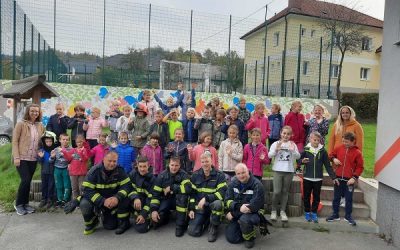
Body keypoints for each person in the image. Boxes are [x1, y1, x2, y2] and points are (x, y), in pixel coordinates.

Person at [80, 151, 132, 235]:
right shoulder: (94, 171)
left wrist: (117, 197)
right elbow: (87, 190)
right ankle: (92, 222)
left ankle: (108, 214)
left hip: (112, 201)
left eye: (114, 161)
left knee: (110, 226)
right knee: (84, 204)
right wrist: (102, 201)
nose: (112, 164)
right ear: (103, 160)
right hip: (98, 201)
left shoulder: (120, 170)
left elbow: (127, 186)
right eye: (109, 161)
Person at [12, 104, 45, 215]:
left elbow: (43, 140)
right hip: (21, 158)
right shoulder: (20, 124)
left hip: (33, 158)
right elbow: (15, 141)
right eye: (32, 111)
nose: (35, 113)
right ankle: (19, 204)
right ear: (28, 111)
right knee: (25, 180)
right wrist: (16, 157)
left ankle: (25, 203)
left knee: (28, 181)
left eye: (37, 111)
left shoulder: (40, 125)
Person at [188, 152, 227, 242]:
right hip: (201, 206)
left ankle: (213, 227)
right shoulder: (195, 175)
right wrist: (191, 209)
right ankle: (206, 220)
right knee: (193, 232)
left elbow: (222, 194)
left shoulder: (220, 175)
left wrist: (206, 198)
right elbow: (192, 194)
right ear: (200, 162)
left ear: (211, 161)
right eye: (203, 162)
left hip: (212, 205)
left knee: (218, 204)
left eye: (207, 161)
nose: (205, 164)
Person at [224, 163, 265, 249]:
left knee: (245, 219)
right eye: (238, 174)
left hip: (254, 213)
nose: (241, 176)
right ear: (235, 174)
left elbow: (253, 207)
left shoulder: (257, 185)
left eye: (243, 172)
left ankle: (250, 237)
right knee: (232, 238)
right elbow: (227, 201)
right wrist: (236, 208)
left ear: (248, 171)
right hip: (238, 211)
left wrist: (234, 214)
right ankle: (243, 228)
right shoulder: (233, 183)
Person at [327, 132, 364, 226]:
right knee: (336, 198)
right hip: (338, 179)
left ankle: (348, 216)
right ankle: (335, 214)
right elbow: (330, 155)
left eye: (347, 142)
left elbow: (360, 167)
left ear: (353, 141)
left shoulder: (357, 153)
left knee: (349, 199)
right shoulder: (339, 148)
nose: (344, 143)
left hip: (349, 181)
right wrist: (333, 159)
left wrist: (354, 177)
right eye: (343, 141)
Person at [150, 157, 192, 237]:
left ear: (180, 166)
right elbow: (155, 194)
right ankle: (165, 216)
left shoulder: (184, 175)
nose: (174, 167)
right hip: (166, 199)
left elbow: (188, 188)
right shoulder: (162, 176)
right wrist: (154, 210)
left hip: (179, 201)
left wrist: (172, 188)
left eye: (176, 165)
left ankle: (180, 225)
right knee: (155, 223)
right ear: (168, 165)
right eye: (172, 165)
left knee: (182, 196)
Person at [300, 131, 336, 223]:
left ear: (320, 140)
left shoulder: (323, 151)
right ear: (310, 139)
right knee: (307, 196)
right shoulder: (306, 149)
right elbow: (298, 160)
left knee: (316, 197)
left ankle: (314, 213)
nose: (316, 142)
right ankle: (307, 212)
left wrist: (333, 177)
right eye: (314, 139)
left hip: (318, 179)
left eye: (318, 140)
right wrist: (301, 161)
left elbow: (328, 165)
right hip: (307, 178)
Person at [268, 126, 300, 222]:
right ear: (281, 133)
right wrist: (276, 150)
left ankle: (282, 211)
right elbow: (269, 155)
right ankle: (273, 211)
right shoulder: (275, 143)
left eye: (288, 134)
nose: (286, 135)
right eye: (284, 133)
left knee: (285, 192)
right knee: (277, 191)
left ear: (291, 135)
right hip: (278, 170)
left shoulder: (293, 144)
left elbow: (298, 156)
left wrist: (292, 151)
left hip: (289, 171)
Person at [128, 156, 156, 233]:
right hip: (136, 201)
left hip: (145, 204)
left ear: (148, 166)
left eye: (144, 166)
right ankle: (125, 221)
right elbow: (130, 189)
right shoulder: (133, 174)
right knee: (123, 199)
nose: (142, 169)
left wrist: (143, 214)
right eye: (140, 166)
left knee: (141, 229)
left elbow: (151, 198)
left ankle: (146, 219)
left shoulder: (152, 179)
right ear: (137, 165)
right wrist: (135, 198)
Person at [62, 134, 90, 200]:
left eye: (81, 142)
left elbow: (85, 159)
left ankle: (81, 201)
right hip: (73, 173)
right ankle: (75, 202)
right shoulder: (73, 150)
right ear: (75, 143)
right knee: (74, 189)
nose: (79, 143)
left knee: (81, 188)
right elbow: (68, 159)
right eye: (78, 142)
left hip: (82, 173)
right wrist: (64, 152)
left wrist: (81, 153)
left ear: (83, 142)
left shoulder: (85, 150)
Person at [49, 133, 72, 208]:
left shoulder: (71, 149)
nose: (65, 141)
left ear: (69, 141)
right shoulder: (56, 149)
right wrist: (52, 157)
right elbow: (50, 161)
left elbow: (75, 159)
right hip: (57, 169)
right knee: (58, 185)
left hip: (66, 169)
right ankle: (59, 199)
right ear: (60, 140)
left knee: (67, 185)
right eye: (63, 139)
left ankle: (65, 200)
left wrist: (70, 164)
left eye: (67, 140)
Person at [37, 131, 57, 209]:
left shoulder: (54, 151)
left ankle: (49, 199)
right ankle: (43, 199)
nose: (48, 143)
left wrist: (53, 157)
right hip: (44, 171)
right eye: (47, 141)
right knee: (44, 185)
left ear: (53, 141)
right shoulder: (42, 150)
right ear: (44, 142)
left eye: (50, 141)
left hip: (52, 172)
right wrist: (41, 157)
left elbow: (55, 161)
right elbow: (39, 161)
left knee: (51, 185)